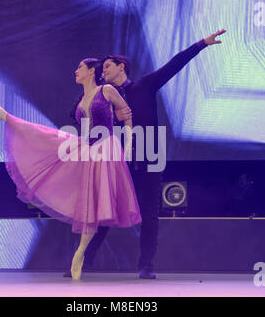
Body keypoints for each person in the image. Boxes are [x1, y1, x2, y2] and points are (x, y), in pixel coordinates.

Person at [68, 29, 227, 279]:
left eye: (107, 66)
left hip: (148, 160)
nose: (103, 71)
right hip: (118, 162)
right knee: (103, 210)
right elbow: (83, 115)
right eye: (102, 68)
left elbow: (174, 64)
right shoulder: (105, 96)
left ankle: (146, 266)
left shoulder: (145, 85)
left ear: (122, 67)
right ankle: (85, 262)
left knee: (150, 214)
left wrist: (201, 44)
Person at [0, 58, 141, 280]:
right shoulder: (81, 101)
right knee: (46, 137)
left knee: (93, 204)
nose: (75, 71)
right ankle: (5, 115)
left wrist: (130, 144)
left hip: (106, 148)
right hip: (86, 148)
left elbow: (125, 113)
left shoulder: (107, 90)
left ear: (90, 71)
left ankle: (79, 254)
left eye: (79, 68)